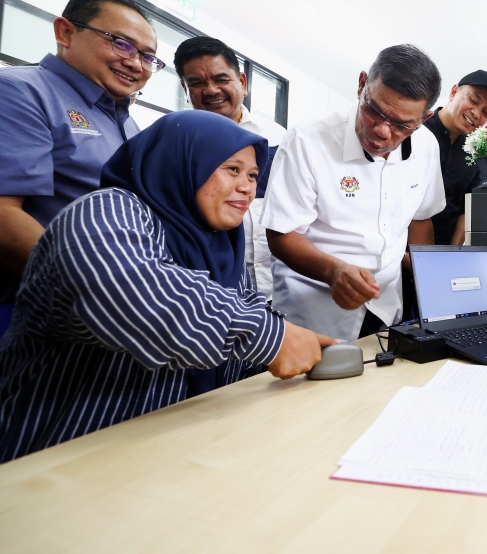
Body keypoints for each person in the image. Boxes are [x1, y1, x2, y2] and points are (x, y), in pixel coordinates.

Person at [0, 112, 333, 463]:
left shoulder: (220, 247)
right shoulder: (105, 211)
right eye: (232, 170)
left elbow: (248, 327)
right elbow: (124, 290)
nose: (248, 186)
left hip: (165, 452)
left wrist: (309, 350)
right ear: (181, 160)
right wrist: (270, 336)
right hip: (58, 458)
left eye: (252, 175)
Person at [0, 0, 160, 332]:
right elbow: (3, 215)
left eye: (148, 57)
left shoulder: (126, 121)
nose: (135, 63)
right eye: (121, 44)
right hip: (37, 312)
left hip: (108, 313)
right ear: (65, 32)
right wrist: (113, 295)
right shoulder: (20, 91)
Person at [262, 45, 446, 340]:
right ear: (362, 84)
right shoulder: (307, 139)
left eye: (401, 126)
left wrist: (432, 283)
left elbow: (420, 220)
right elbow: (282, 234)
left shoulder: (427, 146)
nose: (383, 131)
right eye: (374, 111)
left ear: (423, 119)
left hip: (386, 308)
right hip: (314, 312)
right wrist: (334, 271)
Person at [174, 37, 286, 300]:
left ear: (242, 83)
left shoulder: (277, 137)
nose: (211, 90)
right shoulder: (178, 142)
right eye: (197, 83)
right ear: (185, 88)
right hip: (210, 286)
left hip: (277, 283)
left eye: (221, 79)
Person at [423, 70, 487, 246]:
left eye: (486, 112)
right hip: (400, 256)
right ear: (454, 92)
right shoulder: (417, 131)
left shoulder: (476, 152)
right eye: (473, 100)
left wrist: (453, 254)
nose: (477, 113)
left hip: (444, 256)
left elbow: (465, 208)